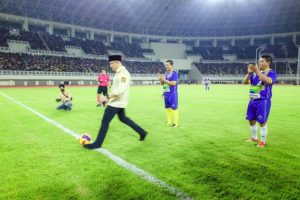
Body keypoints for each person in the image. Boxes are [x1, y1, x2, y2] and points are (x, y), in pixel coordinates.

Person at [84, 55, 148, 149]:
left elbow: (120, 90)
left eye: (111, 63)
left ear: (117, 62)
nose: (110, 66)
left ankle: (98, 144)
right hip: (118, 102)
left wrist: (107, 97)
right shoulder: (119, 73)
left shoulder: (123, 74)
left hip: (116, 103)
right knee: (124, 119)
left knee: (105, 122)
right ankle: (142, 132)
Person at [242, 55, 277, 147]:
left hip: (263, 101)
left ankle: (262, 141)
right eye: (259, 61)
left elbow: (268, 81)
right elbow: (245, 82)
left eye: (261, 61)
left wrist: (257, 71)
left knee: (262, 122)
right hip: (252, 99)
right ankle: (254, 137)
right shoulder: (256, 73)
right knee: (251, 119)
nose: (259, 63)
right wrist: (249, 74)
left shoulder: (271, 73)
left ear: (268, 63)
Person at [157, 60, 179, 128]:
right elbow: (163, 84)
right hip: (166, 93)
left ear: (171, 65)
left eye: (167, 65)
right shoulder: (166, 73)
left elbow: (174, 83)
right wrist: (160, 79)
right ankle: (169, 122)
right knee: (168, 108)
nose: (166, 66)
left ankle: (176, 124)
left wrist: (164, 80)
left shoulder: (174, 73)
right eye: (165, 65)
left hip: (173, 94)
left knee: (174, 108)